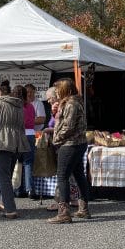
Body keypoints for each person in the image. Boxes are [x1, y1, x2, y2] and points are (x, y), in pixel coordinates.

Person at [0, 84, 30, 220]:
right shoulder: (19, 104)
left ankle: (10, 209)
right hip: (18, 143)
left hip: (2, 141)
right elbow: (22, 125)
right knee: (7, 176)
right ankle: (1, 202)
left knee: (3, 177)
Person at [49, 78, 90, 224]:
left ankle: (64, 212)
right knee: (79, 175)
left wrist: (56, 139)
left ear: (65, 89)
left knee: (62, 176)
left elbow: (69, 126)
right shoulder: (73, 102)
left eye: (58, 90)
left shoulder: (71, 103)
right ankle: (83, 209)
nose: (57, 93)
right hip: (77, 143)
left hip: (70, 144)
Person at [14, 85, 38, 200]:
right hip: (30, 134)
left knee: (18, 163)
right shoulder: (31, 106)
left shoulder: (15, 107)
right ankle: (30, 190)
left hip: (19, 135)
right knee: (28, 163)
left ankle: (18, 189)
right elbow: (33, 120)